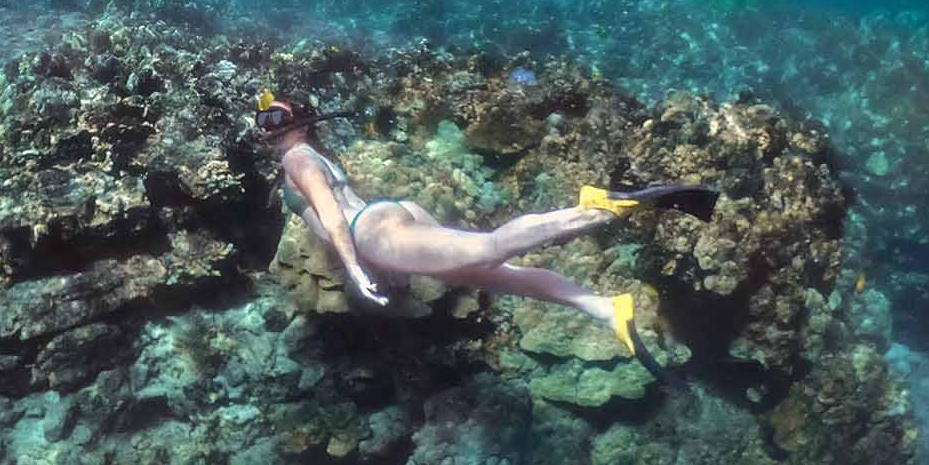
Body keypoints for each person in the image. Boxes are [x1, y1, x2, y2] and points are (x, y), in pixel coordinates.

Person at [254, 90, 718, 369]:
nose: (264, 127)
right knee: (497, 272)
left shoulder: (296, 158)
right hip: (388, 216)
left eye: (271, 119)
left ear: (291, 125)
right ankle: (604, 309)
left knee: (489, 248)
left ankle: (593, 210)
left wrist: (354, 269)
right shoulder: (309, 152)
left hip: (373, 236)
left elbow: (330, 216)